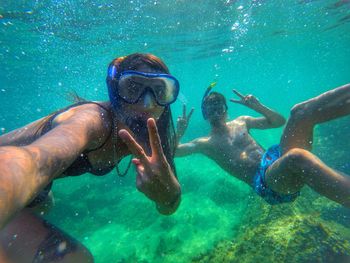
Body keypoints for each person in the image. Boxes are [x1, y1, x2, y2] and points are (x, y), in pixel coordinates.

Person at [0, 53, 182, 262]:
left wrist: (168, 195)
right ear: (115, 92)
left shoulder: (152, 135)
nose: (147, 104)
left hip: (35, 190)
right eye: (133, 88)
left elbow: (169, 207)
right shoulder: (92, 120)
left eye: (159, 90)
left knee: (44, 204)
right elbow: (34, 162)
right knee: (77, 259)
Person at [177, 83, 350, 207]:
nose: (215, 112)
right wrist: (179, 132)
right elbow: (175, 152)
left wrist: (258, 107)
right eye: (209, 109)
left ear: (226, 109)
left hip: (276, 159)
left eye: (218, 107)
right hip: (268, 183)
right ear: (204, 115)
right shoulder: (205, 143)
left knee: (300, 112)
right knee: (297, 157)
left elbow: (278, 121)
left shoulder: (242, 121)